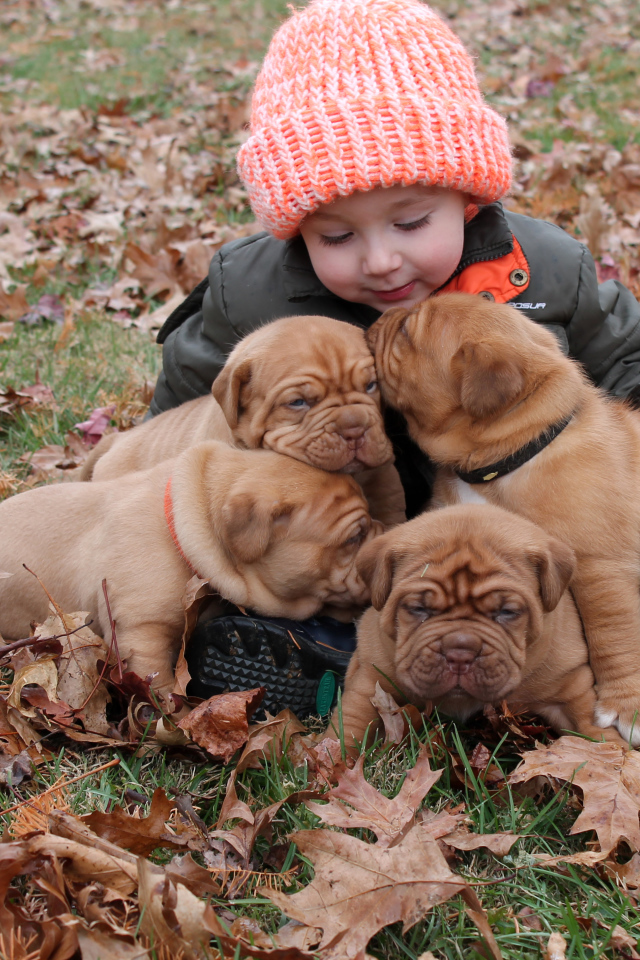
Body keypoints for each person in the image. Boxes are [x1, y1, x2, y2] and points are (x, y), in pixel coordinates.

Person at [150, 0, 640, 718]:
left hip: (508, 548)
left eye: (412, 222)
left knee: (581, 591)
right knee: (284, 576)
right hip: (349, 537)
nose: (381, 262)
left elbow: (627, 362)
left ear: (467, 197)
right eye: (336, 237)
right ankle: (293, 646)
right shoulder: (251, 292)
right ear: (295, 230)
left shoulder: (547, 271)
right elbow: (182, 416)